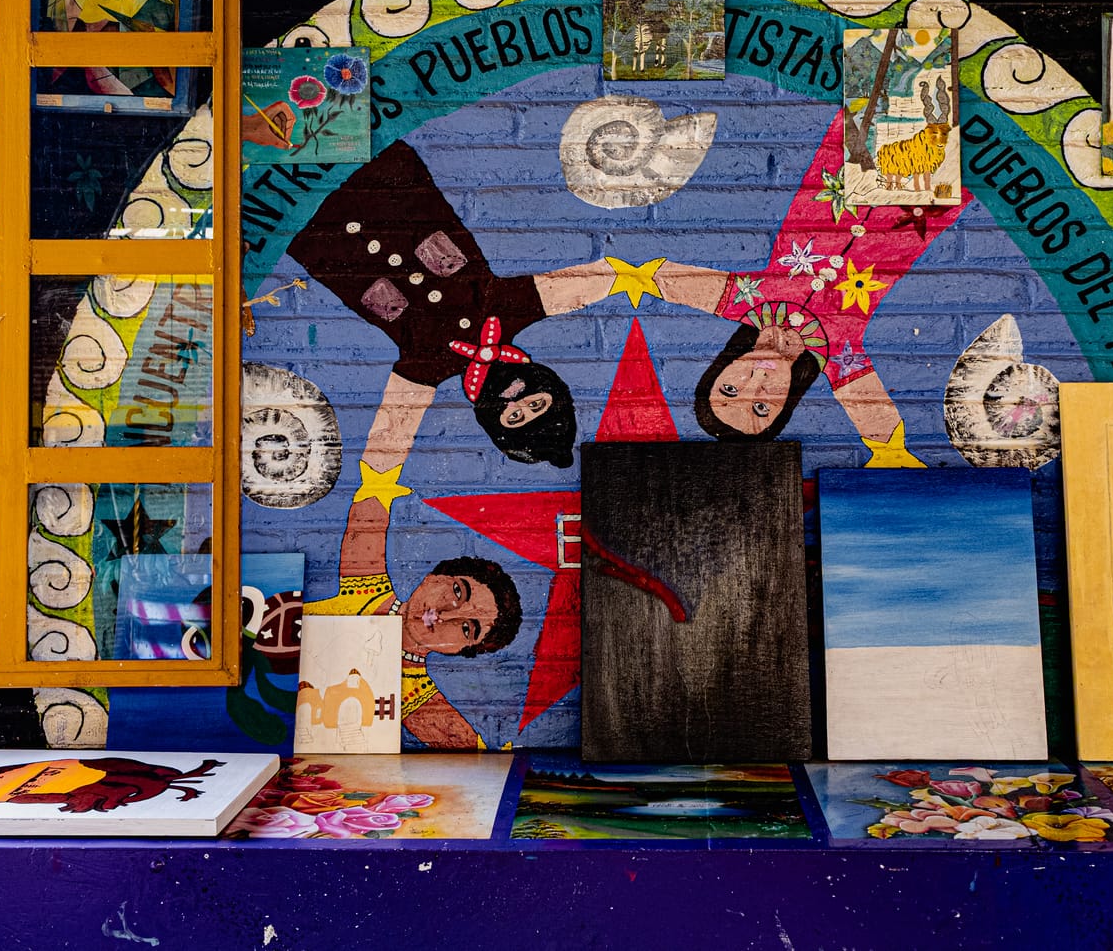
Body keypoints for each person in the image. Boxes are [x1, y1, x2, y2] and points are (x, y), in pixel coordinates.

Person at [284, 140, 614, 500]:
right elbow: (613, 276)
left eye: (515, 417)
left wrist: (374, 505)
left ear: (492, 421)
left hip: (300, 217)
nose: (516, 400)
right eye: (536, 404)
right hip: (373, 162)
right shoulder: (511, 305)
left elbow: (386, 451)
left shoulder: (426, 364)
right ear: (551, 387)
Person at [652, 109, 968, 464]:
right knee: (955, 123)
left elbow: (666, 281)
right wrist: (890, 452)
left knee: (901, 90)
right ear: (786, 403)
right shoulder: (838, 356)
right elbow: (876, 423)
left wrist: (620, 278)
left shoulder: (747, 298)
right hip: (924, 198)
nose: (755, 383)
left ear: (720, 369)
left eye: (729, 388)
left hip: (853, 154)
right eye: (760, 407)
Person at [304, 492, 523, 749]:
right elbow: (376, 487)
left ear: (461, 651)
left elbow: (472, 752)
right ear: (433, 576)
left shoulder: (415, 696)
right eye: (457, 591)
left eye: (467, 629)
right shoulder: (364, 589)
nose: (444, 615)